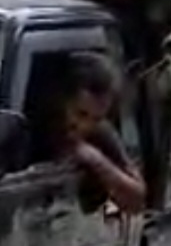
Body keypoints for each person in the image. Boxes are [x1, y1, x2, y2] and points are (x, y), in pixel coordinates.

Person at [54, 52, 147, 215]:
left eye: (96, 119)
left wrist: (96, 160)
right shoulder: (34, 124)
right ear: (63, 100)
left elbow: (137, 200)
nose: (84, 125)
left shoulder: (99, 133)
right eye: (80, 113)